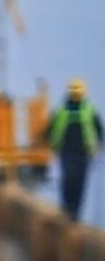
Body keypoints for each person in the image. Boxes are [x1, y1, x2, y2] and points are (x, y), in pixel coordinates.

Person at [42, 78, 102, 222]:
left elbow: (99, 129)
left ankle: (75, 213)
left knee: (80, 182)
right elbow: (51, 128)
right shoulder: (61, 110)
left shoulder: (90, 110)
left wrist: (98, 145)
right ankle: (67, 209)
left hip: (83, 152)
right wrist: (48, 142)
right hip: (66, 151)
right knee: (68, 180)